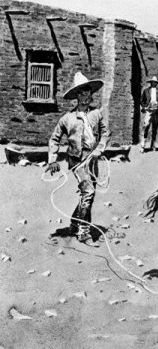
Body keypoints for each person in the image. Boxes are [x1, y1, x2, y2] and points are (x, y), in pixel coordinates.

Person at [46, 72, 111, 245]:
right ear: (77, 96)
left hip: (94, 159)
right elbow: (54, 139)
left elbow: (105, 133)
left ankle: (75, 223)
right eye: (82, 93)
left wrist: (100, 148)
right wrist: (52, 160)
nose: (87, 96)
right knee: (88, 192)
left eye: (89, 92)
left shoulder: (97, 114)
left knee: (88, 193)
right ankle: (83, 232)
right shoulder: (67, 119)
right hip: (77, 160)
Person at [140, 76, 158, 152]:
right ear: (151, 83)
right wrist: (145, 107)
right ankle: (143, 145)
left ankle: (152, 145)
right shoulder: (146, 91)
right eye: (153, 82)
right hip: (149, 111)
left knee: (155, 128)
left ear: (156, 83)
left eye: (155, 82)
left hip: (156, 111)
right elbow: (142, 101)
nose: (154, 83)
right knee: (146, 126)